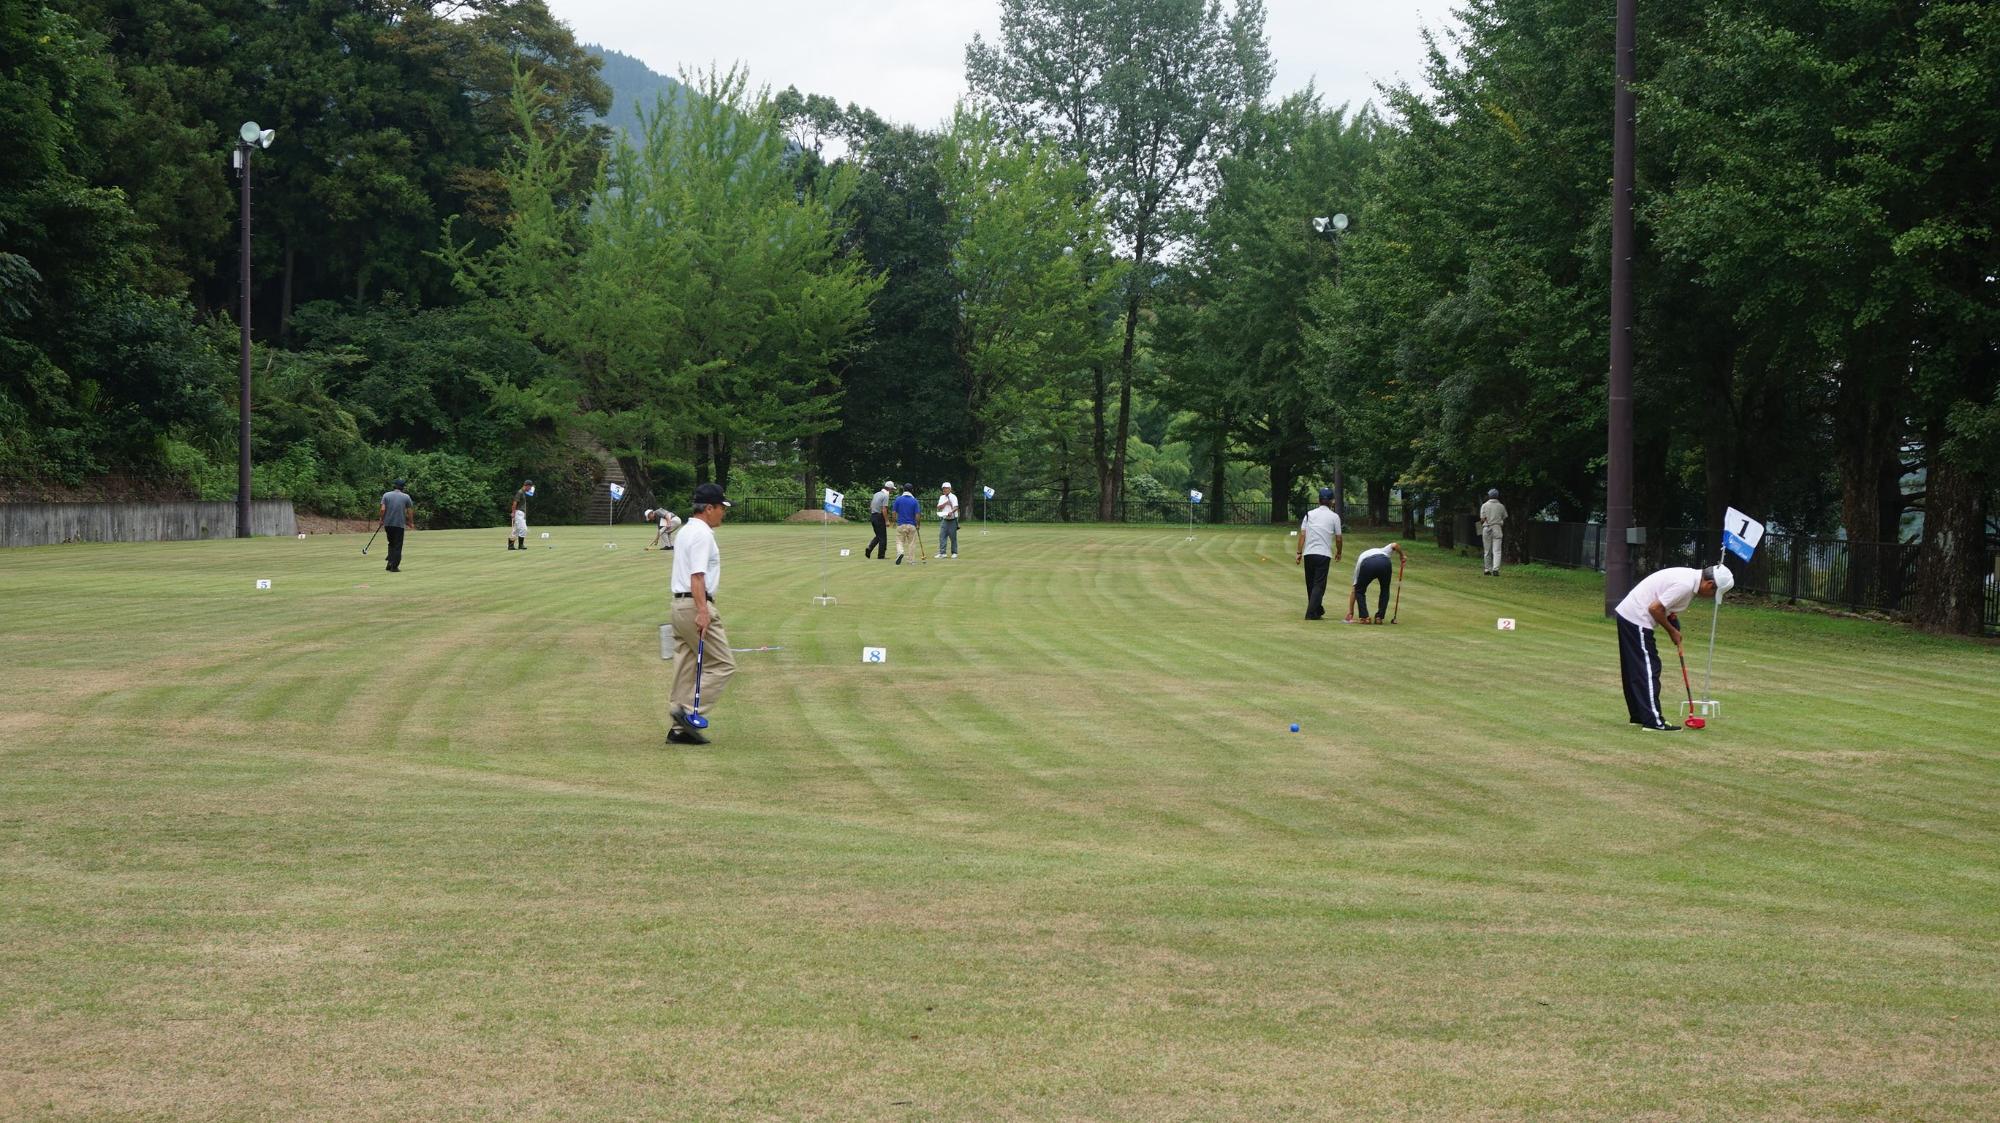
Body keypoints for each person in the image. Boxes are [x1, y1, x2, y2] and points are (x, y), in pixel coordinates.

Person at [1614, 563, 1734, 732]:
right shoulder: (1685, 585)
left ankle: (1639, 716)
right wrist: (1671, 632)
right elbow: (1655, 608)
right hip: (1637, 617)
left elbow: (1667, 608)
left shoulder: (1689, 579)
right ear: (1709, 584)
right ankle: (1653, 721)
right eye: (1714, 592)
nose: (1711, 597)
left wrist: (1674, 625)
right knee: (1648, 668)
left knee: (1636, 669)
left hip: (1629, 615)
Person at [666, 482, 738, 745]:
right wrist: (703, 611)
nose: (723, 513)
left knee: (685, 663)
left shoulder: (686, 530)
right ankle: (687, 714)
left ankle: (678, 730)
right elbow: (697, 576)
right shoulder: (702, 534)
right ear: (709, 508)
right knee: (723, 664)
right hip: (694, 603)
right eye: (722, 508)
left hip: (678, 605)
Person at [1294, 487, 1344, 619]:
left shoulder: (1309, 514)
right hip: (1323, 554)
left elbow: (1302, 535)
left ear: (1319, 500)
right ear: (1332, 501)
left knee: (1311, 584)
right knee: (1319, 585)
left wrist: (1299, 552)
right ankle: (1310, 613)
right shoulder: (1334, 517)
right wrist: (1339, 552)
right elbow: (1339, 538)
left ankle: (1317, 610)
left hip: (1309, 553)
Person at [1345, 541, 1406, 624]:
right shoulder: (1383, 550)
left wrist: (1350, 611)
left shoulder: (1361, 558)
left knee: (1359, 591)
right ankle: (1379, 618)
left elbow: (1354, 590)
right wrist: (1402, 555)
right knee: (1385, 590)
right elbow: (1395, 545)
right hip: (1385, 563)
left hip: (1368, 564)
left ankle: (1364, 617)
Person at [378, 479, 414, 572]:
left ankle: (390, 563)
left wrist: (381, 519)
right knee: (398, 545)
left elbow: (382, 509)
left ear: (394, 486)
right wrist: (410, 522)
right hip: (399, 524)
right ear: (403, 487)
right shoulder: (406, 497)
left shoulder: (386, 495)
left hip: (388, 524)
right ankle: (394, 566)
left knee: (391, 543)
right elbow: (409, 512)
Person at [1479, 488, 1508, 575]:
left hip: (1487, 527)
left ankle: (1487, 569)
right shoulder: (1501, 506)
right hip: (1497, 527)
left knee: (1487, 550)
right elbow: (1504, 517)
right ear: (1497, 496)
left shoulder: (1484, 505)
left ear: (1489, 496)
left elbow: (1482, 519)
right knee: (1497, 550)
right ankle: (1495, 569)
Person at [893, 482, 921, 564]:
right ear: (911, 490)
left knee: (899, 541)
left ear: (904, 490)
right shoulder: (914, 501)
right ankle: (911, 560)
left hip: (901, 524)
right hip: (911, 525)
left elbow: (894, 512)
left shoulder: (898, 499)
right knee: (911, 543)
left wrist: (895, 521)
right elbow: (917, 514)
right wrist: (918, 524)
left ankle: (900, 552)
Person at [865, 480, 894, 559]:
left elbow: (871, 506)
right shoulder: (885, 496)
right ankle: (881, 556)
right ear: (889, 488)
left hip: (873, 516)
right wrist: (887, 520)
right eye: (892, 490)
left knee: (879, 536)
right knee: (883, 537)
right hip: (879, 517)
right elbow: (884, 509)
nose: (892, 491)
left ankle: (869, 548)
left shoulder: (876, 494)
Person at [506, 478, 533, 551]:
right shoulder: (520, 492)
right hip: (518, 513)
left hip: (521, 513)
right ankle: (521, 545)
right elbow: (515, 503)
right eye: (530, 487)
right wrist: (513, 512)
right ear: (527, 485)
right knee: (524, 529)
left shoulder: (523, 492)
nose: (530, 489)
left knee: (516, 530)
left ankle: (511, 546)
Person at [936, 482, 961, 558]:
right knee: (942, 536)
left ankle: (954, 552)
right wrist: (946, 503)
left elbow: (956, 507)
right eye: (943, 488)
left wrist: (951, 512)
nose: (944, 490)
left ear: (950, 489)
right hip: (945, 518)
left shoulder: (953, 497)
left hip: (952, 519)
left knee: (953, 536)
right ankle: (942, 553)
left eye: (946, 488)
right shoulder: (942, 497)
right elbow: (939, 507)